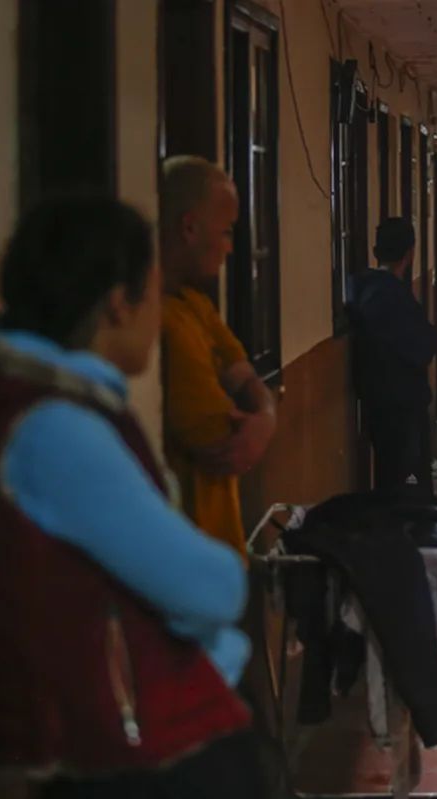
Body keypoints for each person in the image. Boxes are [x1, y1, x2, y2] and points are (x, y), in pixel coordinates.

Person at [0, 195, 259, 797]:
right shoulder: (56, 431)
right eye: (151, 294)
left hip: (125, 736)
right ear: (120, 302)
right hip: (136, 750)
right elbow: (212, 587)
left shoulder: (48, 411)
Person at [160, 156, 277, 558]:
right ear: (190, 227)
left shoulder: (193, 304)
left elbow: (243, 375)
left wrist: (264, 416)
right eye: (226, 232)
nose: (230, 247)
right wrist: (262, 419)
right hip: (186, 549)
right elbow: (224, 439)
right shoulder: (167, 321)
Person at [349, 218, 437, 494]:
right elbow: (420, 349)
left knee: (389, 471)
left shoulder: (358, 286)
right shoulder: (396, 298)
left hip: (373, 396)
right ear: (410, 254)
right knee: (404, 474)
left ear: (376, 252)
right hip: (402, 402)